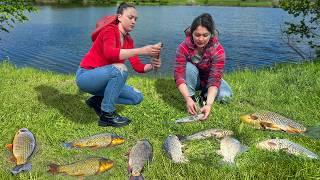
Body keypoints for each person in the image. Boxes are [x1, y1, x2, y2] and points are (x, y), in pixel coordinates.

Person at [76, 2, 162, 127]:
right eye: (130, 17)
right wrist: (142, 50)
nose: (133, 21)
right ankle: (107, 115)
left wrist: (152, 65)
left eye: (135, 19)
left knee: (137, 97)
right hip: (86, 76)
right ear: (119, 17)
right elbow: (110, 54)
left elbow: (137, 66)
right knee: (120, 69)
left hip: (102, 80)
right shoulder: (109, 30)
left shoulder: (128, 40)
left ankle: (97, 101)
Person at [174, 13, 232, 120]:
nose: (201, 39)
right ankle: (191, 98)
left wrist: (209, 104)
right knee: (188, 68)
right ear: (192, 33)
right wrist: (187, 98)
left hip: (209, 79)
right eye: (197, 35)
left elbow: (215, 79)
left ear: (211, 34)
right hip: (193, 79)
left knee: (225, 96)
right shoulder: (183, 47)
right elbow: (179, 76)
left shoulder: (218, 50)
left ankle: (205, 95)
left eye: (205, 35)